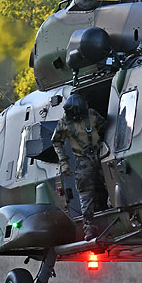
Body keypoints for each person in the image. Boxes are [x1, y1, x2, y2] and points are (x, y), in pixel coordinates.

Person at [52, 93, 108, 240]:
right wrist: (63, 161)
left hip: (101, 154)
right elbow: (56, 141)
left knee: (108, 184)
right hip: (83, 160)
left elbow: (104, 127)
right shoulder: (64, 123)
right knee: (86, 194)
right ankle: (89, 227)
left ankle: (111, 218)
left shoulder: (92, 115)